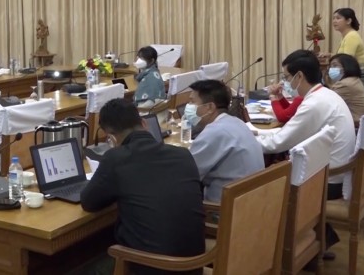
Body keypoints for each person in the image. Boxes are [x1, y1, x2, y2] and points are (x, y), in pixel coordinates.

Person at [78, 99, 205, 275]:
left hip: (151, 267)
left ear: (111, 138)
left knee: (84, 267)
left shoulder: (116, 158)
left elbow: (88, 202)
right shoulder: (183, 154)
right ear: (144, 124)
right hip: (194, 265)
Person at [253, 50, 357, 254]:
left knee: (263, 186)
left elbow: (277, 143)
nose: (286, 82)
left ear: (299, 76)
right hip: (335, 171)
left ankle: (276, 252)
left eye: (287, 77)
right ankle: (318, 241)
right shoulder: (326, 94)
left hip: (329, 180)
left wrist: (247, 139)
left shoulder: (315, 103)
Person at [185, 80, 265, 203]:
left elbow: (186, 174)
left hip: (224, 208)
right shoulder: (237, 122)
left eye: (192, 101)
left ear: (210, 107)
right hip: (251, 201)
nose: (188, 106)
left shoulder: (215, 132)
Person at [330, 8, 364, 96]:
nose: (334, 21)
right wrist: (330, 55)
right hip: (353, 77)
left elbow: (346, 61)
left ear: (348, 21)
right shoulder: (347, 36)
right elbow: (344, 56)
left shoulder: (351, 36)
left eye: (338, 18)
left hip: (358, 78)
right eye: (333, 18)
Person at [328, 53, 364, 126]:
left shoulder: (344, 84)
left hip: (355, 126)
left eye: (335, 65)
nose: (330, 69)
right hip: (362, 123)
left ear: (346, 66)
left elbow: (326, 103)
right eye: (330, 66)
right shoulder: (354, 80)